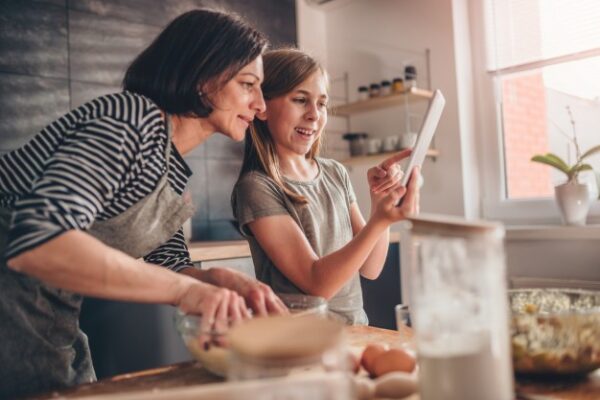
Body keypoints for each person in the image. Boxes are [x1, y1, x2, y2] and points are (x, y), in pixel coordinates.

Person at [0, 9, 287, 399]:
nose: (261, 106)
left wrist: (217, 280)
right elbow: (39, 243)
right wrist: (188, 294)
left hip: (46, 323)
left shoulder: (168, 167)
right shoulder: (131, 118)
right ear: (203, 77)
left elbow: (166, 264)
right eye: (248, 84)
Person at [231, 48, 420, 325]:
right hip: (301, 341)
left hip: (355, 332)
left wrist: (380, 204)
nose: (314, 114)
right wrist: (379, 221)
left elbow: (371, 267)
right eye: (300, 100)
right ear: (263, 107)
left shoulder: (335, 173)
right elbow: (317, 284)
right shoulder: (257, 187)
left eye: (321, 103)